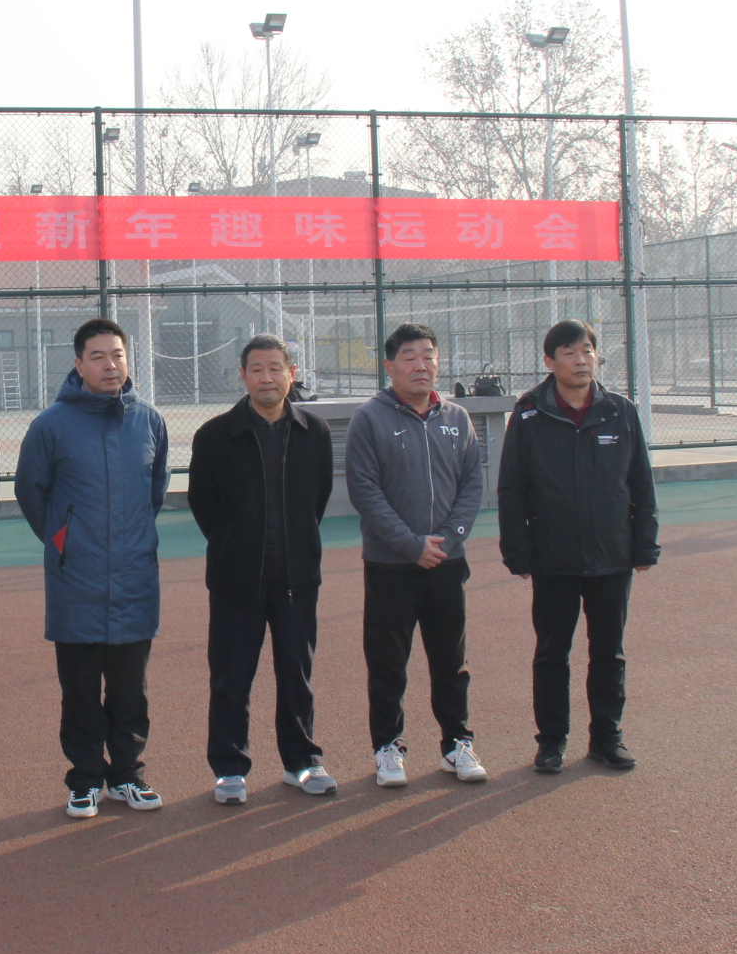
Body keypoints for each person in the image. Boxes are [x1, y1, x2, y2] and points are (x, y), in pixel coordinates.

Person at [16, 318, 171, 819]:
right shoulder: (51, 425)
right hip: (75, 580)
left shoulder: (149, 421)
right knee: (79, 690)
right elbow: (32, 494)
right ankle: (84, 779)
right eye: (99, 356)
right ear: (78, 364)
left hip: (134, 577)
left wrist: (131, 541)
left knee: (130, 690)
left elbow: (155, 492)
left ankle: (127, 774)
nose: (110, 365)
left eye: (118, 355)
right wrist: (64, 541)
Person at [496, 318, 660, 774]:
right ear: (549, 362)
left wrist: (645, 544)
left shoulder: (620, 411)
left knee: (609, 652)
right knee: (552, 653)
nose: (580, 360)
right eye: (569, 352)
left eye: (587, 350)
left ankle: (607, 739)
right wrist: (517, 551)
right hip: (554, 557)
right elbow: (511, 488)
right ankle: (551, 742)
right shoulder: (528, 414)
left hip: (612, 556)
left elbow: (641, 482)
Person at [188, 334, 337, 804]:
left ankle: (302, 762)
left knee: (297, 675)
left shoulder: (315, 432)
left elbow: (317, 500)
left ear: (292, 374)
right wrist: (231, 546)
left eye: (276, 368)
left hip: (298, 580)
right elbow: (203, 504)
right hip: (236, 581)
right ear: (243, 376)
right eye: (257, 369)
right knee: (231, 678)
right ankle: (230, 769)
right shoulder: (214, 436)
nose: (266, 377)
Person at [344, 323, 487, 788]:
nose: (421, 365)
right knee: (388, 663)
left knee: (451, 662)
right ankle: (388, 748)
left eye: (429, 356)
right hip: (390, 567)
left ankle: (457, 743)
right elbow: (365, 490)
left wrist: (448, 539)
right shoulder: (370, 419)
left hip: (447, 562)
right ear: (390, 366)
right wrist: (410, 544)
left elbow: (472, 484)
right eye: (410, 357)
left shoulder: (457, 418)